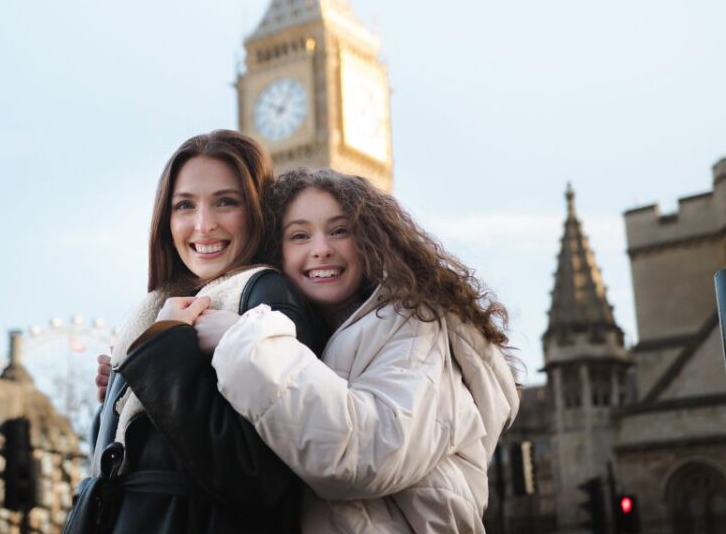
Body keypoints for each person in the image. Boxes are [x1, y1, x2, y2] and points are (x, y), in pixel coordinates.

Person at [194, 168, 521, 533]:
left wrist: (242, 342)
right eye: (299, 235)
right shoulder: (304, 336)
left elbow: (366, 453)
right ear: (278, 251)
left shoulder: (413, 324)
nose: (321, 249)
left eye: (339, 231)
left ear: (371, 239)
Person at [69, 131, 325, 533]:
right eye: (185, 205)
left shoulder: (266, 294)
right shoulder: (154, 307)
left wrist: (163, 351)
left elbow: (255, 475)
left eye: (226, 202)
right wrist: (115, 401)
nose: (203, 225)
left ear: (258, 210)